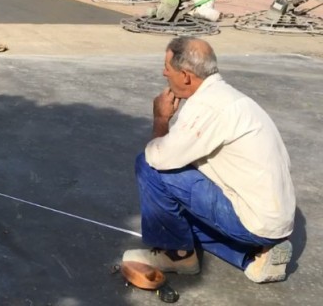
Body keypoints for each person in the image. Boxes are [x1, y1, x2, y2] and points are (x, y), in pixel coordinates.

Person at [123, 37, 296, 283]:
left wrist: (161, 118)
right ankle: (253, 257)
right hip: (273, 220)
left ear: (185, 76)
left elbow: (158, 158)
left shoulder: (207, 106)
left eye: (167, 68)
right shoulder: (230, 97)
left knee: (149, 169)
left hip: (253, 221)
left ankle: (177, 255)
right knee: (179, 221)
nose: (164, 73)